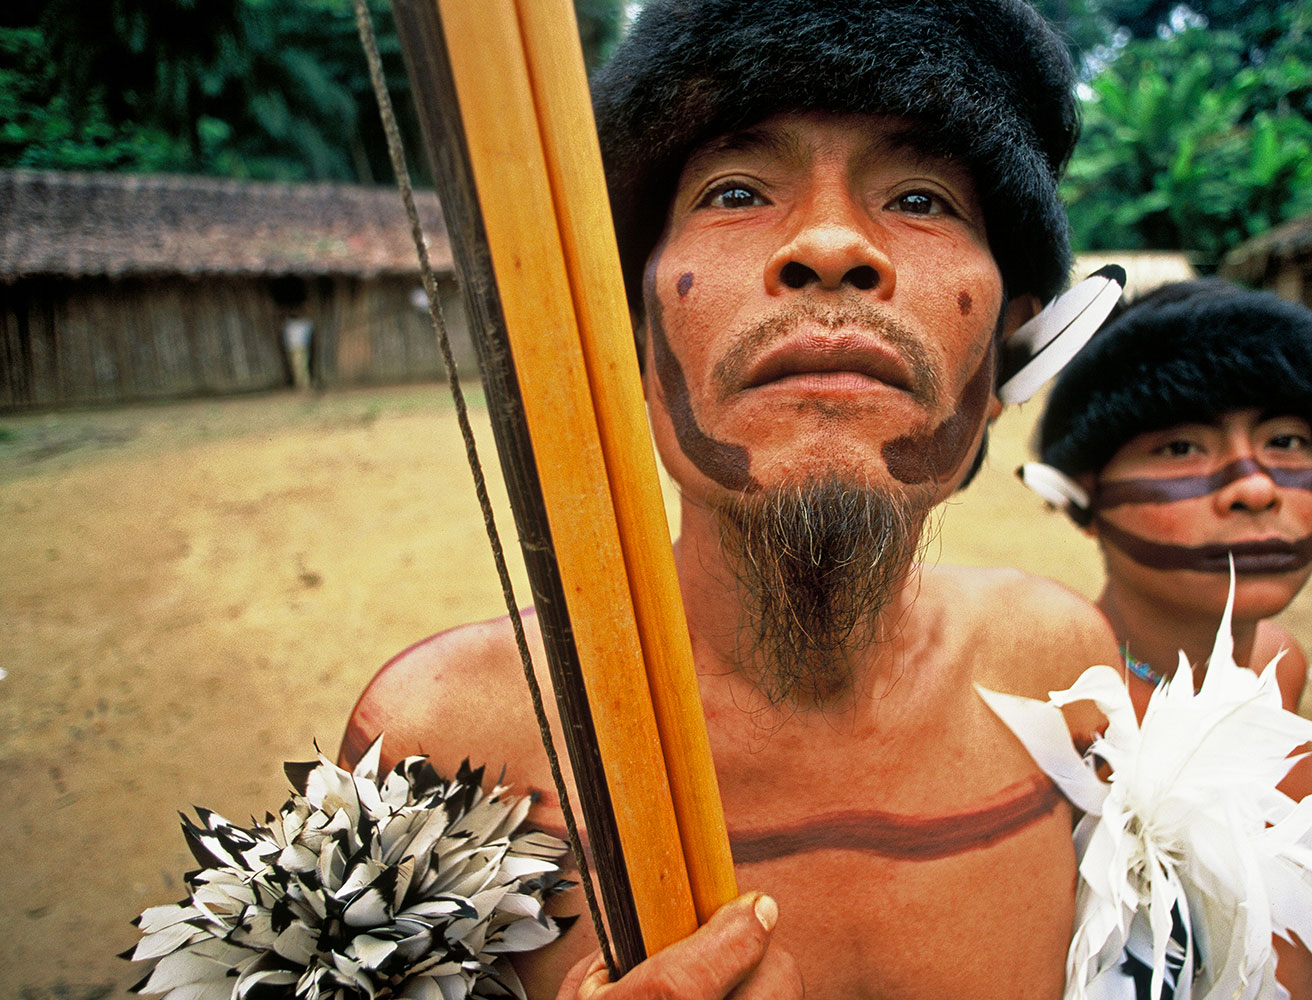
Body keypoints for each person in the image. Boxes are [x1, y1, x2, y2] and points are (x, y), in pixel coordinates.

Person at [340, 2, 1120, 998]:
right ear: (622, 342)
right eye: (737, 189)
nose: (833, 243)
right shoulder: (444, 745)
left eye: (923, 200)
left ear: (1008, 349)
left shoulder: (1065, 674)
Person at [1032, 279, 1312, 997]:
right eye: (1179, 446)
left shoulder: (1275, 665)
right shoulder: (1051, 701)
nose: (1254, 487)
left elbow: (1271, 880)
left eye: (1286, 440)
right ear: (1085, 497)